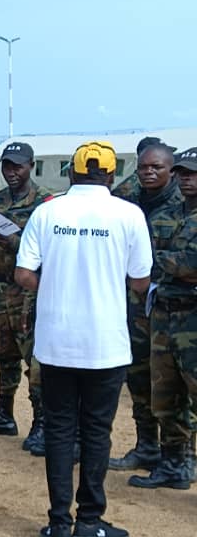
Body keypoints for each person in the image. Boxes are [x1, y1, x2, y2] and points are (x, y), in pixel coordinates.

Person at [16, 141, 152, 537]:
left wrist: (56, 287)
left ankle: (59, 523)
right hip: (105, 343)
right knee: (97, 431)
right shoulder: (129, 214)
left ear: (72, 173)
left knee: (59, 430)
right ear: (110, 176)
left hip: (57, 341)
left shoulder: (48, 211)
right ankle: (89, 520)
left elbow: (24, 274)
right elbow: (140, 280)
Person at [0, 142, 53, 446]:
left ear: (31, 165)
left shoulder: (45, 202)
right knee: (4, 354)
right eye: (6, 166)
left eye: (17, 166)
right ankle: (4, 415)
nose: (11, 172)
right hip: (3, 287)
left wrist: (10, 238)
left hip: (29, 290)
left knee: (34, 358)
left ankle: (41, 424)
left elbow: (45, 250)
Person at [109, 141, 181, 471]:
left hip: (172, 310)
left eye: (157, 168)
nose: (149, 173)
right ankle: (146, 446)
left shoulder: (184, 206)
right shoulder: (128, 200)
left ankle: (181, 455)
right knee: (137, 376)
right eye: (143, 167)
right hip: (134, 305)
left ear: (171, 170)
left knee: (173, 383)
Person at [128, 146, 197, 490]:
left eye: (193, 173)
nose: (188, 179)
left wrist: (162, 260)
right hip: (162, 314)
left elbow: (190, 265)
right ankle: (174, 464)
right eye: (184, 173)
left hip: (192, 319)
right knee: (165, 394)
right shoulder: (172, 214)